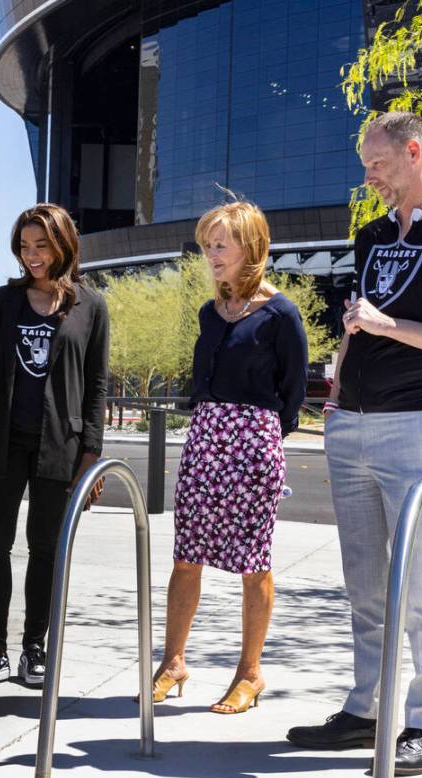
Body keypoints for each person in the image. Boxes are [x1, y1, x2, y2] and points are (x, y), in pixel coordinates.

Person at [286, 112, 422, 776]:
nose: (367, 174)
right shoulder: (371, 237)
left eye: (376, 162)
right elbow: (361, 321)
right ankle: (366, 709)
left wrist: (389, 325)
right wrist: (339, 377)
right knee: (364, 587)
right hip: (348, 426)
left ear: (412, 154)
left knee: (421, 593)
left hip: (417, 427)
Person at [148, 201, 307, 713]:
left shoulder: (281, 313)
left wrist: (257, 441)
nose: (212, 254)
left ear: (251, 248)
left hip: (253, 443)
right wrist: (214, 432)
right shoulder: (207, 312)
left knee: (252, 562)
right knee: (185, 557)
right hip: (204, 439)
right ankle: (173, 662)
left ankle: (250, 673)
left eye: (221, 244)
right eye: (207, 245)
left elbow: (293, 393)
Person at [0, 203, 109, 688]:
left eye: (41, 246)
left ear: (63, 244)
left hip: (60, 445)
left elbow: (97, 387)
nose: (32, 256)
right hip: (4, 442)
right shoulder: (6, 301)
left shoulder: (92, 306)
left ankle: (33, 648)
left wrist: (90, 458)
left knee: (45, 548)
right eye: (25, 247)